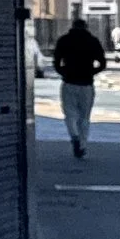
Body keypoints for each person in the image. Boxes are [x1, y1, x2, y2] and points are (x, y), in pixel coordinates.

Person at [49, 15, 107, 157]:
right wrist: (91, 72)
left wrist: (64, 72)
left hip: (69, 82)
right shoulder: (92, 41)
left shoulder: (64, 40)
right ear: (86, 27)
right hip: (86, 83)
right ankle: (82, 144)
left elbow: (56, 62)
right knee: (84, 117)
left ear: (72, 27)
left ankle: (74, 136)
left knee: (69, 114)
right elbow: (102, 63)